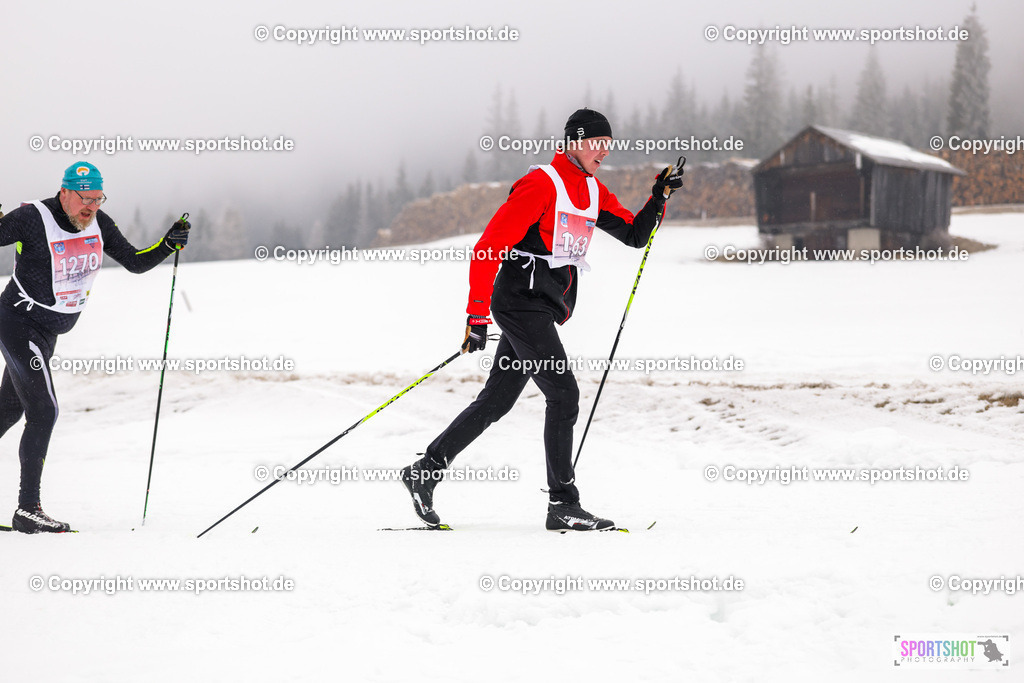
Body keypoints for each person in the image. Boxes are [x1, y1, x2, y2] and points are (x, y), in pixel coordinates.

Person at [402, 108, 683, 531]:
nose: (603, 153)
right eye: (595, 144)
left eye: (608, 145)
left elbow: (634, 235)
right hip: (519, 303)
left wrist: (658, 196)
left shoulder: (592, 192)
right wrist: (476, 314)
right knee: (564, 394)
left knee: (496, 402)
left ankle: (426, 470)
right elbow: (488, 246)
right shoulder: (541, 185)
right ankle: (563, 504)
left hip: (542, 307)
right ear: (573, 142)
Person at [0, 161, 190, 533]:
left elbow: (134, 262)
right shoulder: (32, 218)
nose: (91, 206)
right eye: (84, 198)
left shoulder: (100, 222)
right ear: (65, 192)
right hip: (17, 322)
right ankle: (28, 510)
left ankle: (27, 510)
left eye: (98, 199)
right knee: (44, 410)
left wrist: (168, 244)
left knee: (7, 412)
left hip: (46, 333)